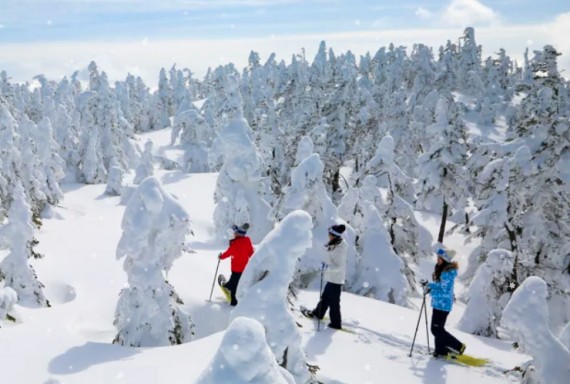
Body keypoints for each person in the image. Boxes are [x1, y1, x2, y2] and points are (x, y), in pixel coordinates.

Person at [421, 248, 466, 358]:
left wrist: (430, 291)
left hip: (443, 304)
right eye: (437, 258)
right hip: (439, 304)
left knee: (436, 329)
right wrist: (429, 285)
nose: (438, 260)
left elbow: (445, 292)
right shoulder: (444, 271)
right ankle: (440, 350)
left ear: (445, 259)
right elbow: (440, 286)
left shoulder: (447, 273)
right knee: (438, 329)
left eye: (440, 258)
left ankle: (459, 346)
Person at [304, 224, 348, 330]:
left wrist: (326, 267)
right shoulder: (335, 243)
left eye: (330, 233)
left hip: (336, 279)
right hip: (332, 278)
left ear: (334, 235)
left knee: (334, 303)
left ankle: (336, 323)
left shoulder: (340, 248)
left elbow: (338, 266)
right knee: (325, 298)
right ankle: (318, 314)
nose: (328, 235)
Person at [218, 223, 254, 306]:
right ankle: (228, 286)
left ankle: (233, 301)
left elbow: (228, 253)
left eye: (235, 232)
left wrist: (221, 256)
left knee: (235, 283)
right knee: (236, 280)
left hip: (236, 268)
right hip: (245, 268)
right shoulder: (247, 240)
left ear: (238, 234)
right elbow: (251, 252)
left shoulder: (235, 244)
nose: (234, 234)